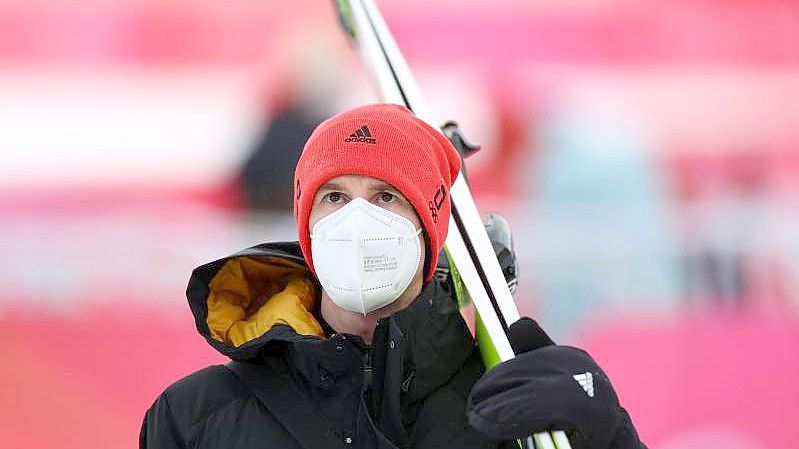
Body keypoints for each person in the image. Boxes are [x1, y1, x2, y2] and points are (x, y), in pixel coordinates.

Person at [140, 104, 646, 449]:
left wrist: (607, 433)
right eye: (334, 197)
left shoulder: (508, 409)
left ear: (430, 227)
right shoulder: (197, 416)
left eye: (386, 197)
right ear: (307, 224)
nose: (358, 222)